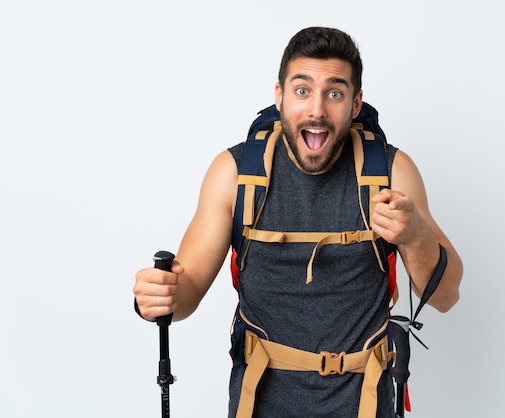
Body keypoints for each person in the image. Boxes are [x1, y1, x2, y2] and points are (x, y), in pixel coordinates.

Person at [134, 26, 463, 418]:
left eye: (335, 93)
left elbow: (446, 296)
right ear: (280, 96)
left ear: (356, 103)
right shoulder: (235, 174)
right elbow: (185, 294)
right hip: (259, 404)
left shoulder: (391, 173)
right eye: (302, 90)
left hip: (365, 404)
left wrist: (415, 235)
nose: (317, 110)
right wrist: (160, 294)